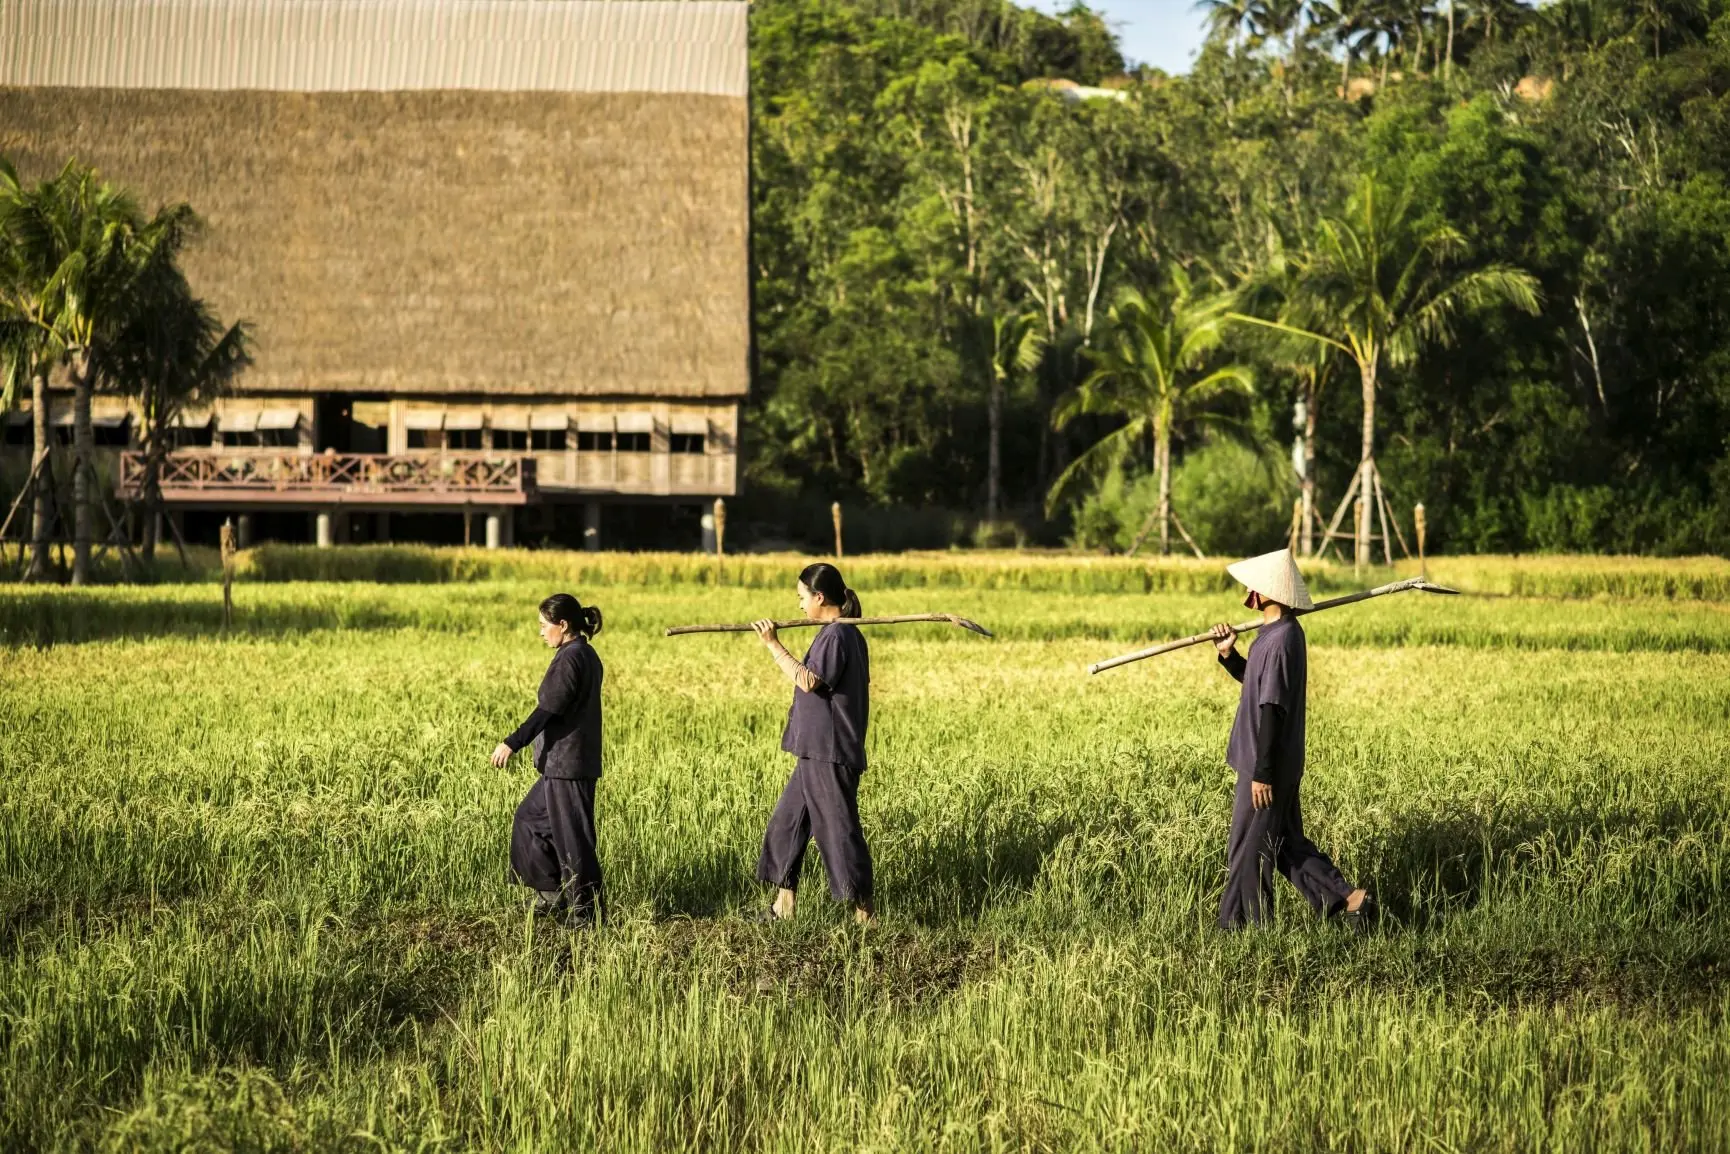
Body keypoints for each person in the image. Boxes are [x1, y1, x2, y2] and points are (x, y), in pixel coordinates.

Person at [1209, 549, 1375, 929]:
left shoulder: (1283, 638)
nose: (1248, 589)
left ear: (1268, 592)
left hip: (1266, 765)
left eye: (1255, 584)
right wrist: (1228, 654)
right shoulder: (1273, 635)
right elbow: (1257, 684)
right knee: (1282, 845)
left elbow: (1272, 708)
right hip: (1266, 761)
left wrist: (1263, 772)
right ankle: (1349, 900)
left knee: (1248, 849)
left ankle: (1241, 928)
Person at [750, 562, 875, 925]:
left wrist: (772, 644)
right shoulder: (833, 634)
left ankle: (865, 916)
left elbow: (809, 681)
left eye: (802, 597)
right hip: (813, 750)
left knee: (838, 831)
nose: (800, 606)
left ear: (820, 597)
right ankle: (783, 907)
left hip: (830, 751)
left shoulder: (839, 636)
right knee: (788, 823)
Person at [492, 592, 606, 928]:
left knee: (573, 840)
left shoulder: (573, 657)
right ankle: (551, 892)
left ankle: (586, 914)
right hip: (559, 765)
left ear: (563, 625)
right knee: (530, 820)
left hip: (569, 765)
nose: (541, 632)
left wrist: (512, 743)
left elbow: (548, 710)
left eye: (544, 625)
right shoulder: (580, 654)